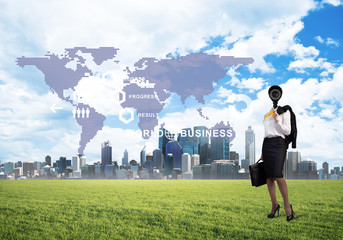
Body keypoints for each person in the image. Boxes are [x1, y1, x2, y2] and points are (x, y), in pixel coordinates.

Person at [261, 87, 295, 222]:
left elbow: (287, 131)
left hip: (279, 144)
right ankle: (274, 205)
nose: (274, 95)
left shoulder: (284, 111)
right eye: (272, 93)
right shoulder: (267, 114)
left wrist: (278, 121)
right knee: (269, 178)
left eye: (276, 93)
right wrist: (262, 152)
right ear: (269, 95)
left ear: (279, 95)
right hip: (267, 145)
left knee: (278, 175)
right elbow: (266, 134)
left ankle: (287, 206)